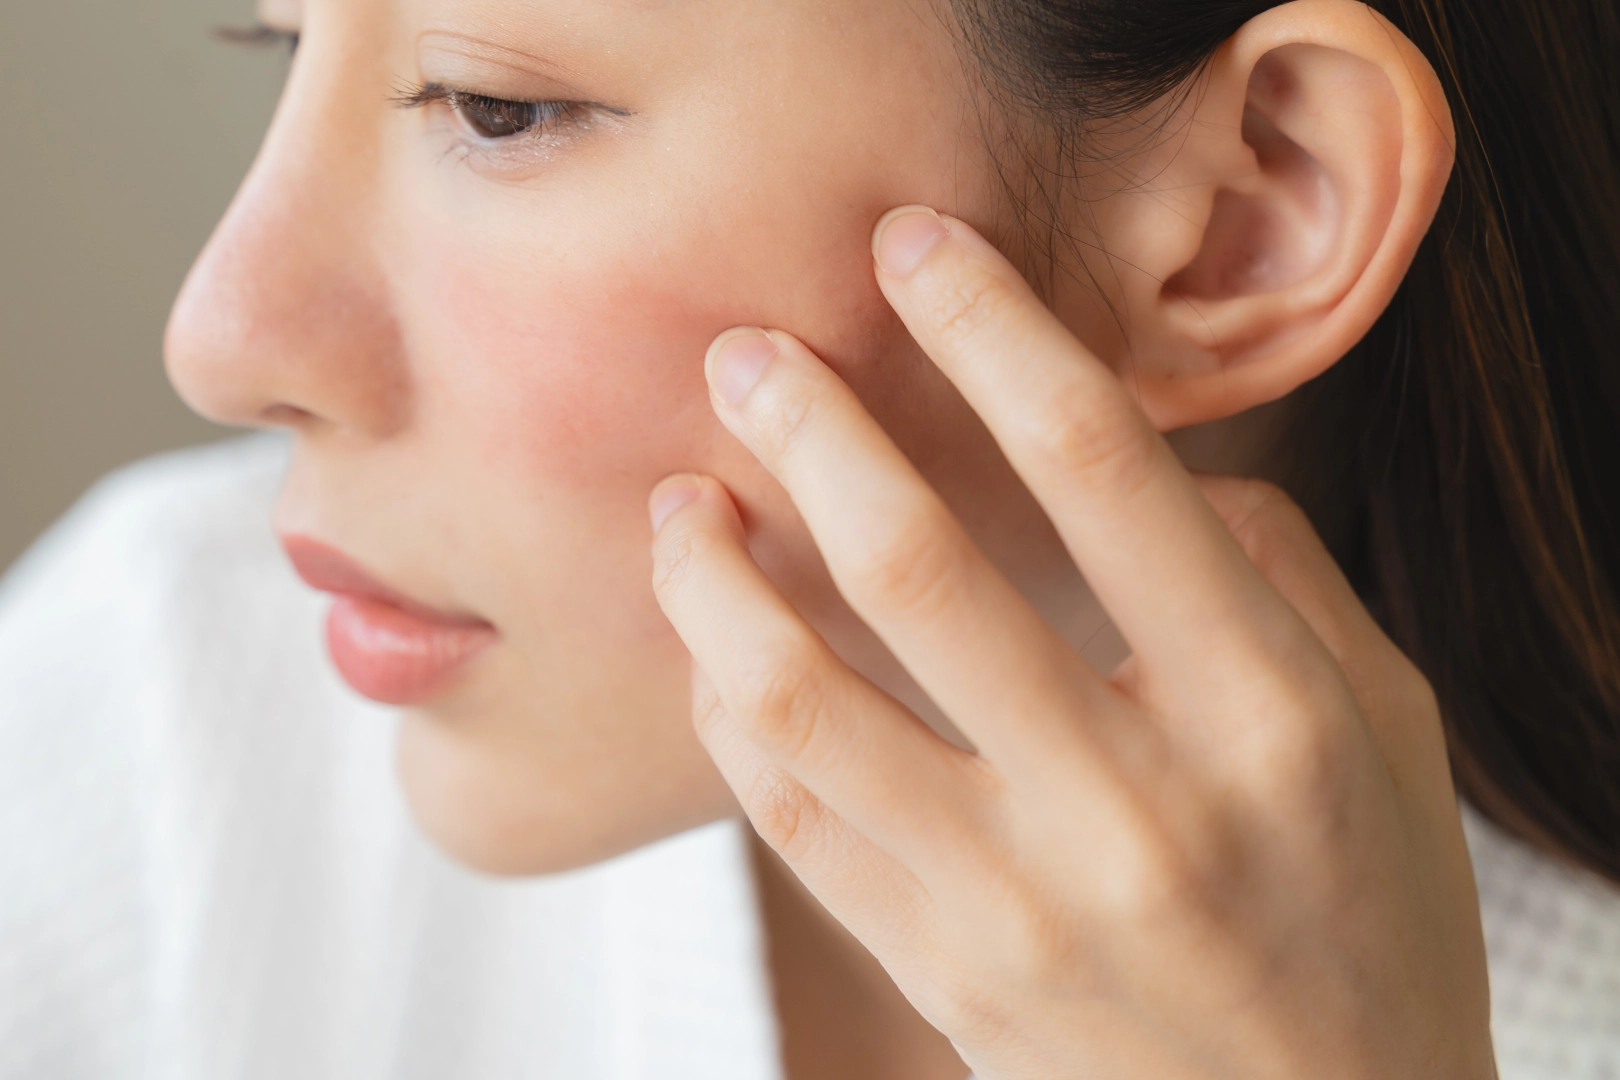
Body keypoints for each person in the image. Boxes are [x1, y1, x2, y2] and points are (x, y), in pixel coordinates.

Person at [3, 0, 1618, 1074]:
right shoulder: (157, 708)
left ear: (1252, 216)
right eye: (277, 41)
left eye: (497, 106)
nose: (222, 337)